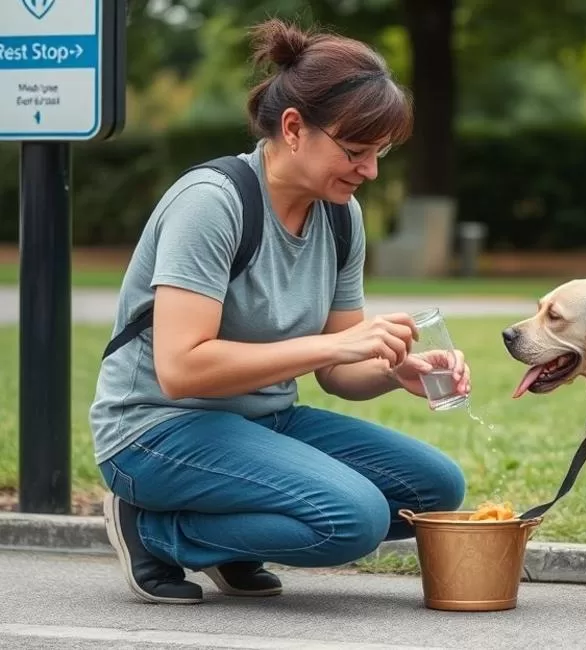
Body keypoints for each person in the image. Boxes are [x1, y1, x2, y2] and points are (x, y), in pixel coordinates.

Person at [88, 18, 469, 605]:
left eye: (380, 153)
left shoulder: (341, 216)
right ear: (294, 128)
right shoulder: (211, 204)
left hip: (260, 421)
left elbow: (339, 370)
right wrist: (333, 346)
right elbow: (182, 368)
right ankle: (156, 530)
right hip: (155, 429)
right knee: (355, 518)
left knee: (436, 488)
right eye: (355, 151)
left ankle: (228, 542)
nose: (369, 171)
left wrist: (394, 370)